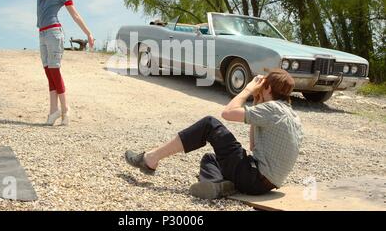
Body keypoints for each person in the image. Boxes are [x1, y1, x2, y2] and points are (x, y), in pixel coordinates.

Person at [125, 69, 304, 199]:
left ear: (268, 88)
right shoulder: (292, 115)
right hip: (265, 185)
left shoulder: (272, 109)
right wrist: (257, 103)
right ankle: (217, 184)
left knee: (209, 124)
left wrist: (248, 90)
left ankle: (151, 158)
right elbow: (254, 147)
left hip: (253, 177)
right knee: (211, 158)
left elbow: (227, 113)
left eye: (262, 84)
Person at [34, 0, 94, 126]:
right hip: (42, 34)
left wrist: (88, 33)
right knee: (48, 72)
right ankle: (53, 111)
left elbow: (75, 15)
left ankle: (65, 110)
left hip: (54, 34)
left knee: (55, 71)